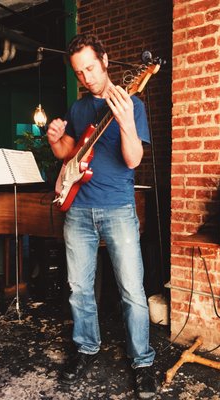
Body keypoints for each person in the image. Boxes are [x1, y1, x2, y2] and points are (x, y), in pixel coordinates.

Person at [47, 33, 156, 399]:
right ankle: (86, 348)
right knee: (79, 289)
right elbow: (70, 155)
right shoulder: (78, 109)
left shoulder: (131, 103)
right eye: (79, 72)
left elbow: (133, 160)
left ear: (106, 61)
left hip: (118, 207)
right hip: (78, 208)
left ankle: (142, 361)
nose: (87, 78)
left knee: (132, 291)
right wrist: (55, 138)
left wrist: (125, 121)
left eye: (91, 68)